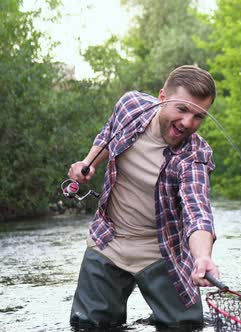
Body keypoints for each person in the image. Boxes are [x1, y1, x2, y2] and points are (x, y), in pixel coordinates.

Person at [67, 65, 219, 329]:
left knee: (186, 327)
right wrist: (88, 162)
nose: (187, 123)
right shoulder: (131, 106)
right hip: (108, 241)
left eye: (198, 116)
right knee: (88, 327)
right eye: (182, 109)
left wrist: (203, 257)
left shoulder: (195, 154)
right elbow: (107, 134)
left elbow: (198, 212)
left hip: (161, 252)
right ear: (162, 97)